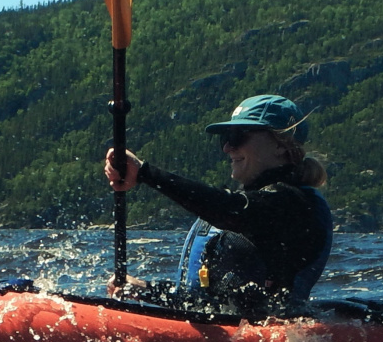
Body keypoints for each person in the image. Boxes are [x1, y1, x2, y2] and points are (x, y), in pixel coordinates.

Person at [104, 94, 332, 315]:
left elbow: (228, 209)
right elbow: (204, 304)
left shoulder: (291, 206)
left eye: (237, 137)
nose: (227, 148)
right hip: (231, 335)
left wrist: (145, 173)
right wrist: (145, 290)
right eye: (226, 138)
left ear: (281, 145)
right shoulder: (254, 203)